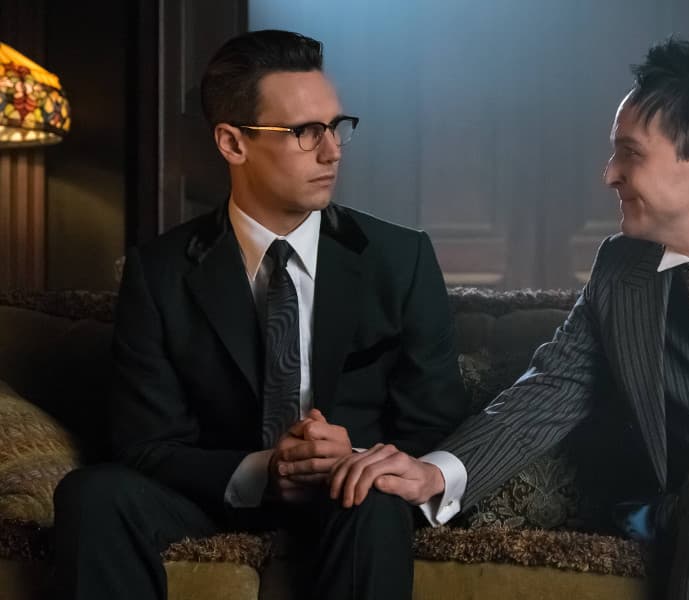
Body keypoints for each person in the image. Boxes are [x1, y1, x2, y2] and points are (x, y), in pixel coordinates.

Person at [329, 32, 689, 599]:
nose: (609, 174)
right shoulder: (621, 271)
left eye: (630, 153)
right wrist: (435, 473)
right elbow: (548, 390)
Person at [52, 29, 467, 600]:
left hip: (352, 501)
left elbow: (436, 426)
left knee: (372, 497)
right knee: (92, 493)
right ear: (232, 143)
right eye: (306, 132)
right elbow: (145, 445)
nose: (332, 151)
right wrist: (264, 471)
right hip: (219, 496)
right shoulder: (159, 273)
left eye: (337, 127)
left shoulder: (401, 259)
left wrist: (351, 457)